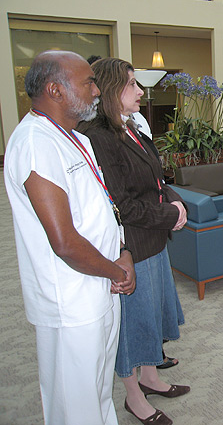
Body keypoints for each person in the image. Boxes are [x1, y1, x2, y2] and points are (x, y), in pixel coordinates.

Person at [4, 50, 135, 424]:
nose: (96, 90)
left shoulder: (76, 137)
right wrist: (115, 270)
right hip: (70, 298)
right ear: (55, 90)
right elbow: (63, 240)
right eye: (88, 82)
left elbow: (101, 206)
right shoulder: (35, 142)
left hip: (102, 283)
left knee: (96, 389)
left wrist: (122, 252)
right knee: (74, 401)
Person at [78, 57, 189, 425]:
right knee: (132, 325)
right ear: (111, 90)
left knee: (151, 316)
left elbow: (156, 178)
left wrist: (174, 200)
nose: (140, 92)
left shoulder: (131, 129)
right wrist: (170, 215)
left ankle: (151, 376)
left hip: (154, 240)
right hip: (132, 247)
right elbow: (121, 205)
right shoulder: (99, 138)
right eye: (131, 85)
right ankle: (133, 396)